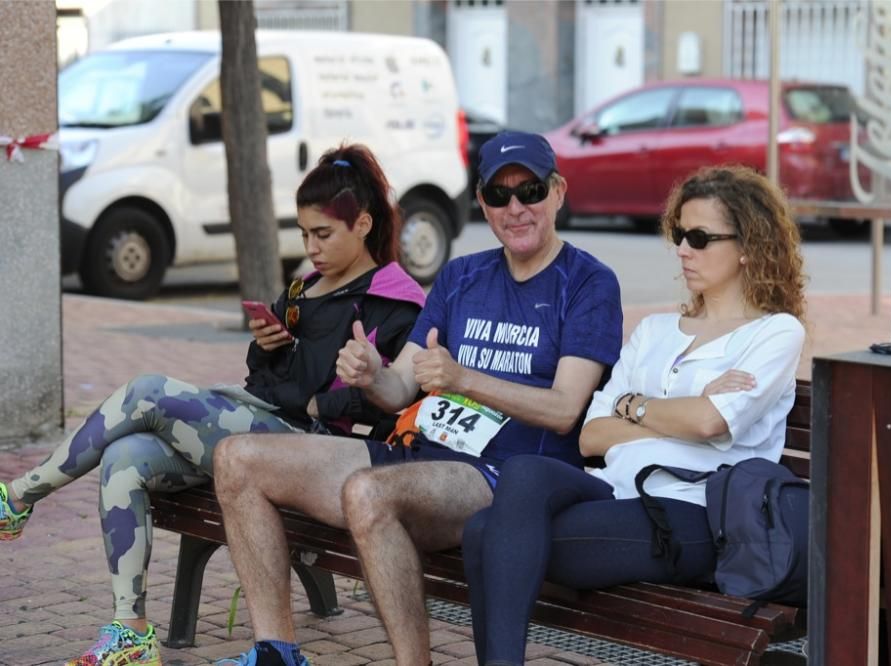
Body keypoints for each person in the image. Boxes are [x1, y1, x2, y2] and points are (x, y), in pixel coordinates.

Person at [0, 143, 426, 666]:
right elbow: (266, 381)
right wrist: (269, 347)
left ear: (362, 224)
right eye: (304, 233)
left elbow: (387, 410)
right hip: (265, 426)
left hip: (321, 456)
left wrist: (328, 393)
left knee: (147, 391)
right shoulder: (304, 289)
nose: (311, 247)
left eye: (323, 234)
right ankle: (130, 632)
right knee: (126, 458)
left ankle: (18, 497)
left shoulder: (395, 300)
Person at [211, 131, 624, 666]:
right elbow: (400, 388)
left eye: (531, 191)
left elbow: (566, 409)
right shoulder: (462, 276)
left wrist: (464, 379)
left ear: (559, 191)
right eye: (499, 196)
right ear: (481, 203)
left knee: (369, 494)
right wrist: (369, 373)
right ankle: (276, 652)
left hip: (508, 476)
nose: (516, 208)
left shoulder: (587, 282)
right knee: (237, 459)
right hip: (417, 454)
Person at [460, 165, 808, 666]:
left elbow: (710, 424)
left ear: (748, 245)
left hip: (694, 511)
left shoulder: (775, 333)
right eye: (678, 234)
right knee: (522, 475)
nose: (683, 249)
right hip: (617, 491)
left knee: (485, 534)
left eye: (700, 237)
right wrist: (677, 409)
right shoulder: (656, 330)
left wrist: (636, 407)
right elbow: (591, 437)